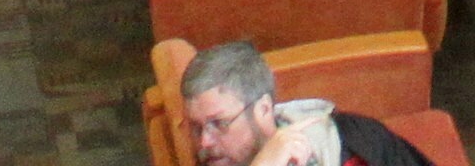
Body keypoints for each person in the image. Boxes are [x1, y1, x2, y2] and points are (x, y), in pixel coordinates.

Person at [172, 36, 440, 166]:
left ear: (264, 109)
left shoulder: (351, 150)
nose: (204, 142)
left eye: (219, 123)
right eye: (195, 127)